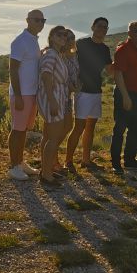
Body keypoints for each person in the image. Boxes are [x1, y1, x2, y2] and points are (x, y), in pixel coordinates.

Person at [66, 17, 112, 171]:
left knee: (90, 127)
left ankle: (86, 160)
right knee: (79, 127)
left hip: (96, 92)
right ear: (92, 27)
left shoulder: (105, 49)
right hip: (82, 92)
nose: (102, 29)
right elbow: (67, 53)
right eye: (99, 26)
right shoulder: (82, 44)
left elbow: (110, 70)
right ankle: (68, 161)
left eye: (105, 27)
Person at [7, 9, 45, 181]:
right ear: (28, 20)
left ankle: (20, 162)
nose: (40, 23)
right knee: (17, 129)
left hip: (31, 94)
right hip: (21, 94)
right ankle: (13, 166)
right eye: (36, 20)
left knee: (23, 130)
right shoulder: (20, 41)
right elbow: (13, 70)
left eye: (42, 20)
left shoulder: (33, 41)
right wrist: (19, 96)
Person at [110, 22, 137, 173]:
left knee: (135, 129)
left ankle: (130, 160)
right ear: (129, 33)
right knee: (120, 129)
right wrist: (126, 97)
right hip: (125, 94)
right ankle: (115, 163)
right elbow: (118, 75)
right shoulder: (123, 50)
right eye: (136, 31)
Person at [37, 25, 70, 186]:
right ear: (51, 37)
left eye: (65, 35)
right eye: (59, 35)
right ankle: (47, 175)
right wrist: (52, 100)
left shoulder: (56, 54)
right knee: (54, 138)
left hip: (56, 96)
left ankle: (46, 170)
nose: (63, 37)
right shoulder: (51, 54)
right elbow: (46, 74)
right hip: (52, 97)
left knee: (48, 136)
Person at [60, 29, 80, 171]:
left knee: (68, 126)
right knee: (56, 129)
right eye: (67, 38)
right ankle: (52, 159)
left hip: (69, 97)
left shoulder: (75, 55)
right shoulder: (59, 56)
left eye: (72, 37)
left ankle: (62, 159)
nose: (70, 40)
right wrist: (70, 86)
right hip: (59, 95)